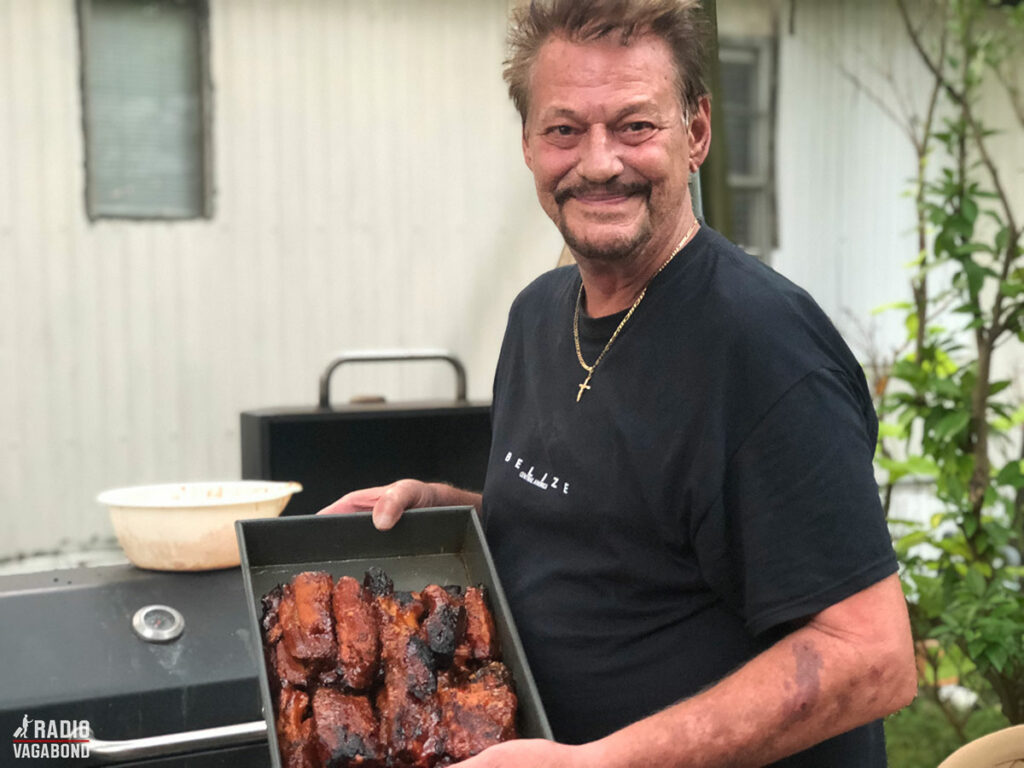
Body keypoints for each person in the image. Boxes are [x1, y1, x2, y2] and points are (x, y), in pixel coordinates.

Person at [321, 1, 918, 765]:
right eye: (564, 129)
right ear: (530, 146)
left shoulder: (763, 348)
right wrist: (451, 509)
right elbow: (607, 532)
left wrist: (598, 762)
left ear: (696, 132)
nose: (598, 162)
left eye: (634, 126)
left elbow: (872, 657)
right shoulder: (539, 314)